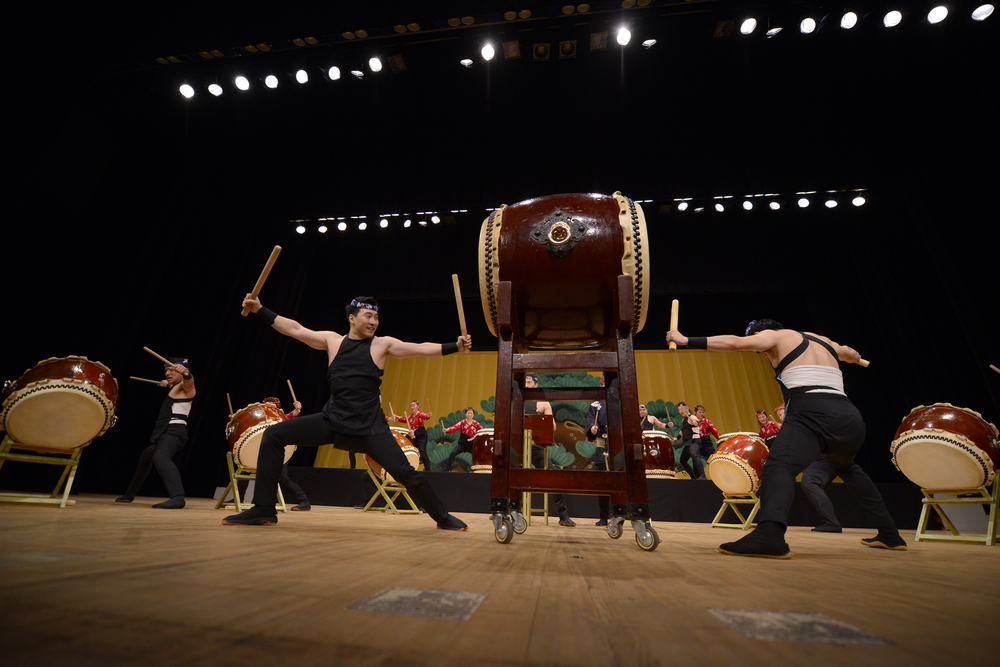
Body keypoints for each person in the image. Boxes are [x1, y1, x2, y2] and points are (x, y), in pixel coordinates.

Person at [224, 294, 469, 530]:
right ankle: (264, 509)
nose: (373, 321)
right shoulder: (333, 341)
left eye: (376, 317)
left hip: (370, 428)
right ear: (352, 318)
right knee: (274, 435)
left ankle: (443, 517)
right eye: (368, 316)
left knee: (407, 473)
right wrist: (260, 309)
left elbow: (419, 348)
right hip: (332, 421)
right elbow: (295, 329)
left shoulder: (382, 345)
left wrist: (454, 346)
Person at [667, 319, 906, 558]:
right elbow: (850, 353)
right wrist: (851, 357)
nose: (762, 353)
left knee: (779, 467)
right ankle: (890, 534)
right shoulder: (823, 340)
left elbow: (735, 343)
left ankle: (769, 535)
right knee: (846, 467)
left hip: (811, 409)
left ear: (761, 334)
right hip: (848, 416)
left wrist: (685, 340)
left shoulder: (776, 336)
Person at [116, 358, 195, 509]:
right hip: (165, 434)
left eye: (171, 369)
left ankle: (178, 497)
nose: (167, 372)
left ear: (181, 370)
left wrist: (186, 373)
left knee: (160, 457)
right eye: (166, 370)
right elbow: (173, 386)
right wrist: (168, 385)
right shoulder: (175, 388)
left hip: (174, 433)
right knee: (146, 457)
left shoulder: (187, 388)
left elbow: (189, 381)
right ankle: (129, 494)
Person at [525, 374, 575, 527]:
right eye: (525, 382)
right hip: (518, 448)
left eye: (529, 382)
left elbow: (552, 426)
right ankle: (509, 511)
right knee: (508, 476)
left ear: (535, 384)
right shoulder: (516, 400)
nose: (526, 385)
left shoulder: (542, 403)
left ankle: (563, 516)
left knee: (553, 477)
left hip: (536, 448)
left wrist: (542, 422)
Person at [261, 397, 311, 511]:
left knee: (282, 478)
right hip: (266, 450)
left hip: (282, 451)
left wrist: (297, 410)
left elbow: (292, 415)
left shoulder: (281, 416)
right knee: (244, 470)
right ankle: (238, 498)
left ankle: (304, 501)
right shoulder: (263, 418)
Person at [586, 385, 610, 526]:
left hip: (618, 444)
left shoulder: (619, 400)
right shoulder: (596, 404)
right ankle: (604, 516)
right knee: (604, 483)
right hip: (602, 444)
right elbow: (590, 422)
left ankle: (621, 513)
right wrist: (592, 429)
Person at [393, 400, 432, 470]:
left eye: (414, 406)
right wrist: (396, 417)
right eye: (411, 406)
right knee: (407, 448)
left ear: (418, 406)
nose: (412, 407)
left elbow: (425, 416)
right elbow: (404, 419)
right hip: (413, 435)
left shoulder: (420, 414)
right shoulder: (410, 417)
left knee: (423, 452)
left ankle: (428, 470)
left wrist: (428, 416)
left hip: (421, 435)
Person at [675, 403, 705, 479]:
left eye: (682, 409)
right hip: (687, 443)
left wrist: (696, 423)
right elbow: (683, 431)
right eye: (679, 410)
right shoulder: (684, 419)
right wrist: (677, 438)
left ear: (687, 408)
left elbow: (696, 421)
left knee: (695, 455)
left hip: (694, 441)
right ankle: (693, 477)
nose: (681, 411)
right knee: (683, 460)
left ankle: (703, 476)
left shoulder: (692, 417)